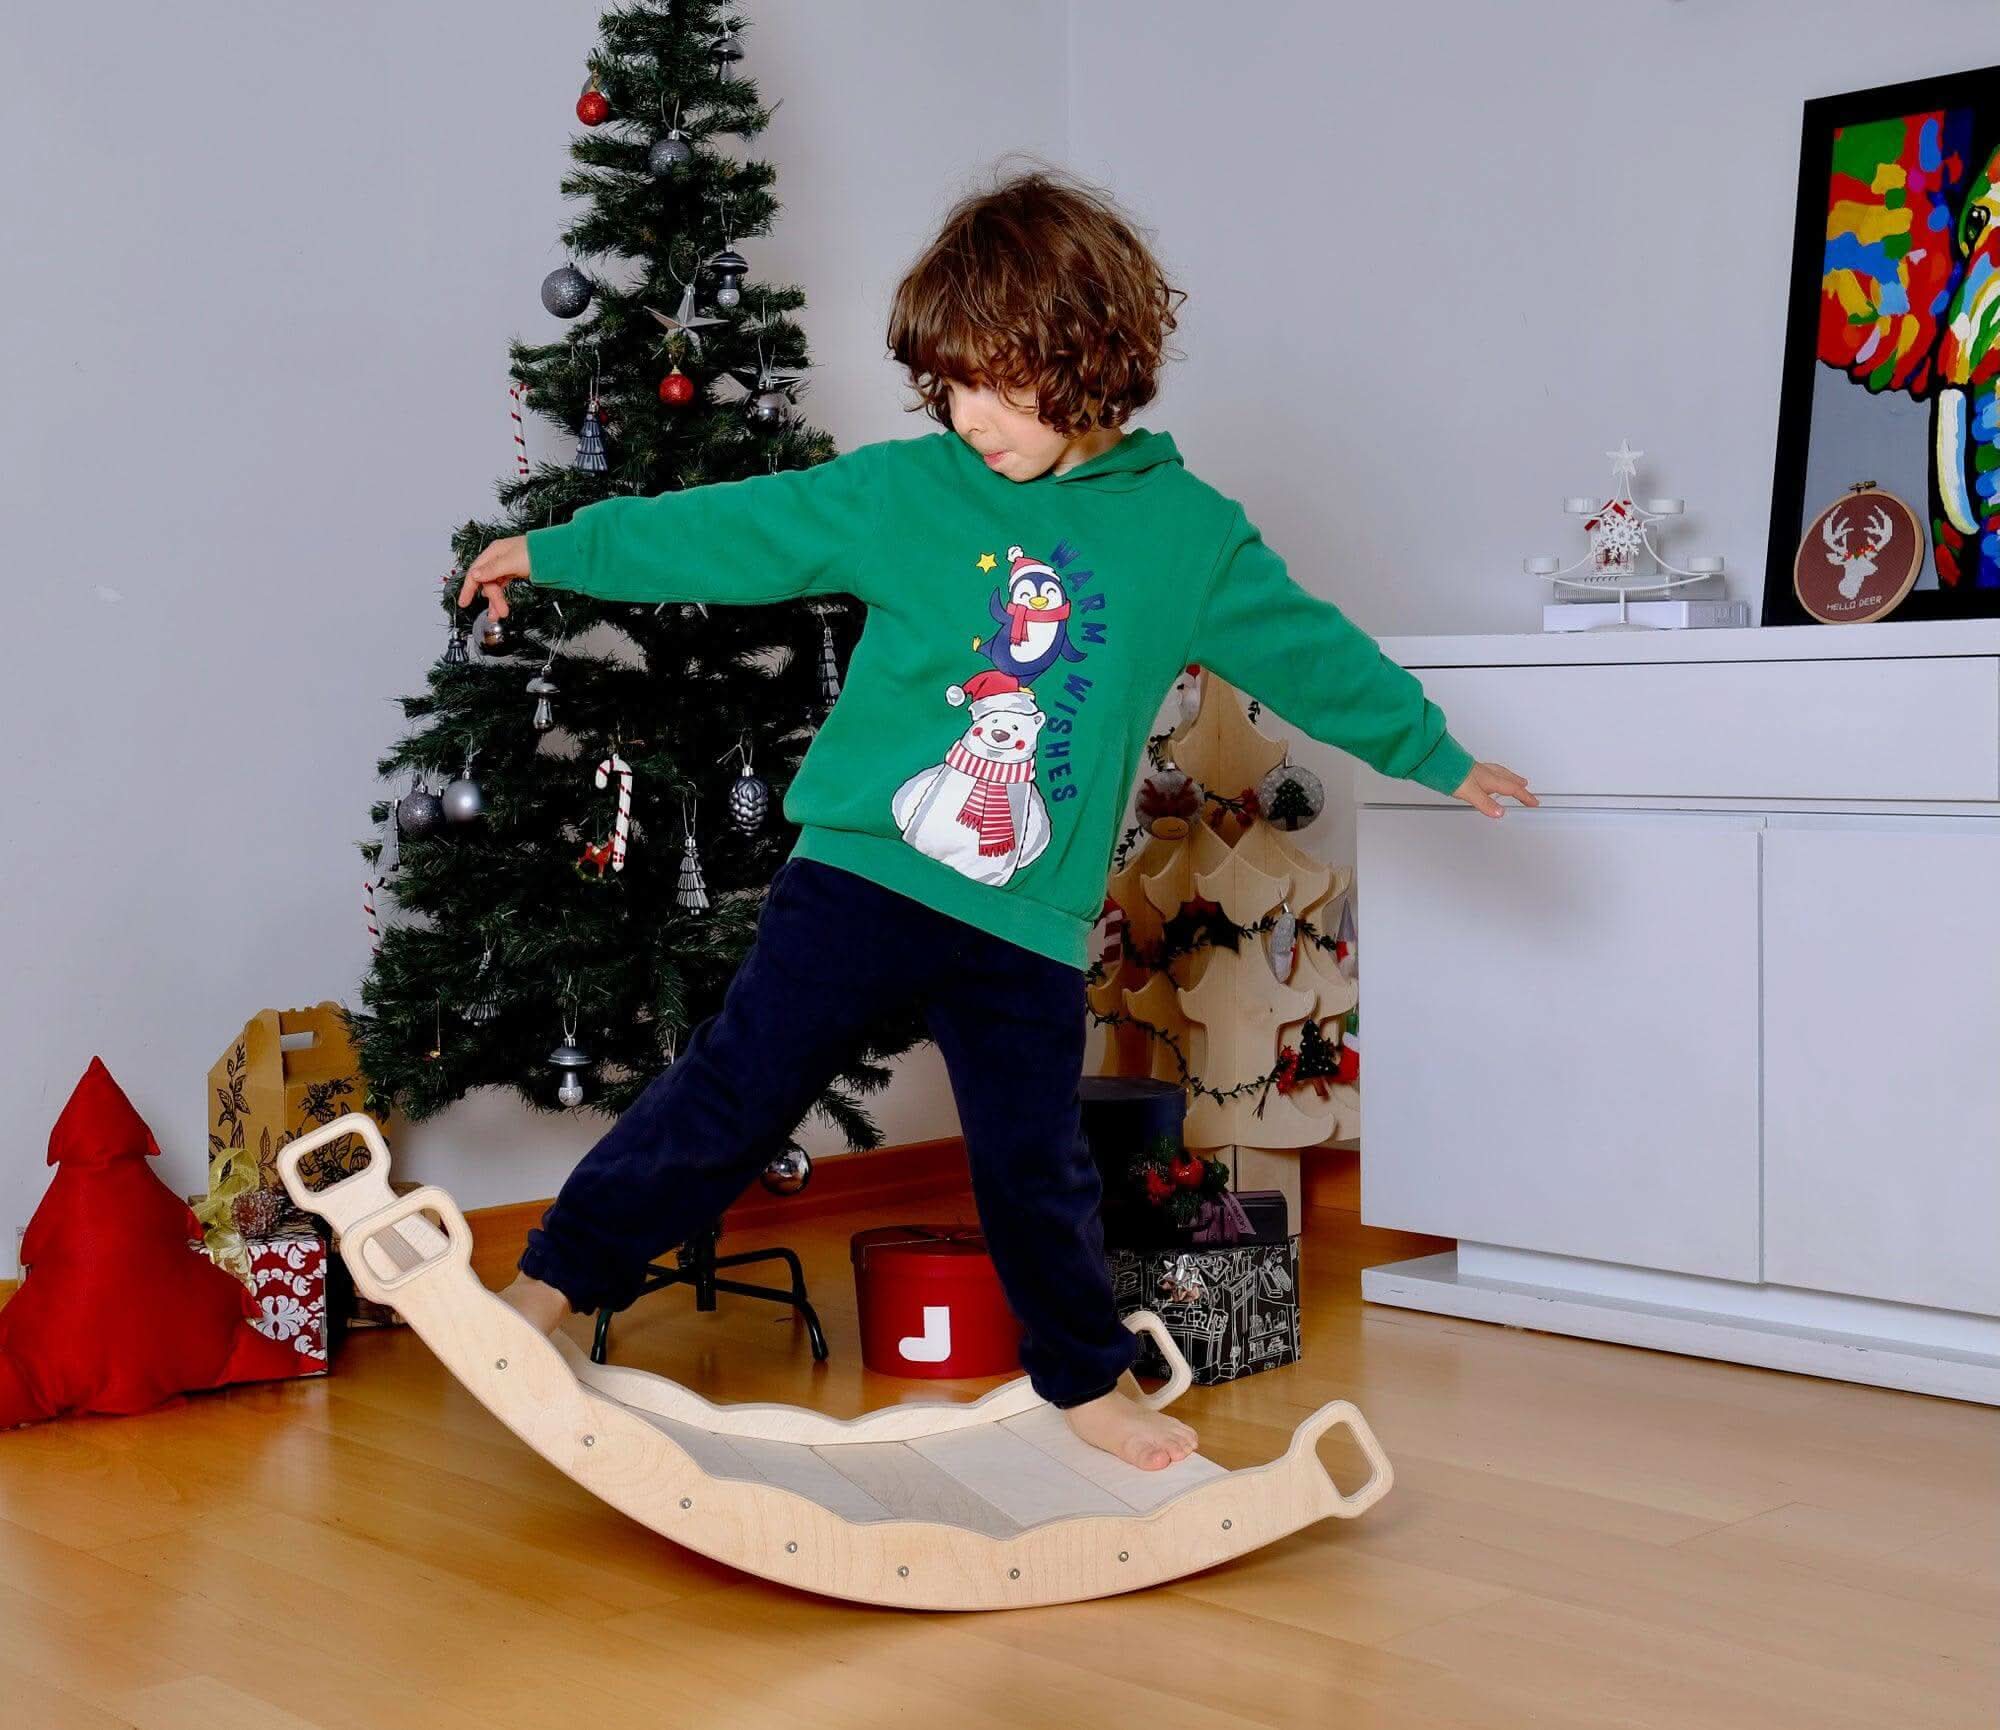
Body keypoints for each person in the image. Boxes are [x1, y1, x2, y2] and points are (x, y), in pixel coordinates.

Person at [459, 166, 1536, 1471]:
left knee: (1036, 1162)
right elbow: (742, 530)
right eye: (950, 384)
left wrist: (1438, 752)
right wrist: (563, 550)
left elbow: (1308, 649)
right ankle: (554, 1287)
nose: (969, 416)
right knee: (733, 1093)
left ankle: (1085, 1380)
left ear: (1094, 358)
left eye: (999, 383)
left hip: (1023, 917)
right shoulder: (911, 493)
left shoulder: (1183, 536)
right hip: (859, 876)